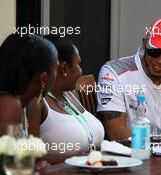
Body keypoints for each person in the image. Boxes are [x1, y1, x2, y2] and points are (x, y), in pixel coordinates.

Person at [96, 17, 161, 140]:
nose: (160, 60)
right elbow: (116, 135)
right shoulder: (113, 73)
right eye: (154, 52)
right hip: (131, 155)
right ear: (145, 44)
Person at [0, 34, 58, 173]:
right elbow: (4, 171)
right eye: (56, 69)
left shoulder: (20, 102)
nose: (56, 75)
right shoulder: (8, 104)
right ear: (43, 78)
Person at [27, 35, 104, 164]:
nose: (81, 71)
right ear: (63, 68)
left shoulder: (68, 95)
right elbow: (32, 158)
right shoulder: (37, 101)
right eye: (78, 64)